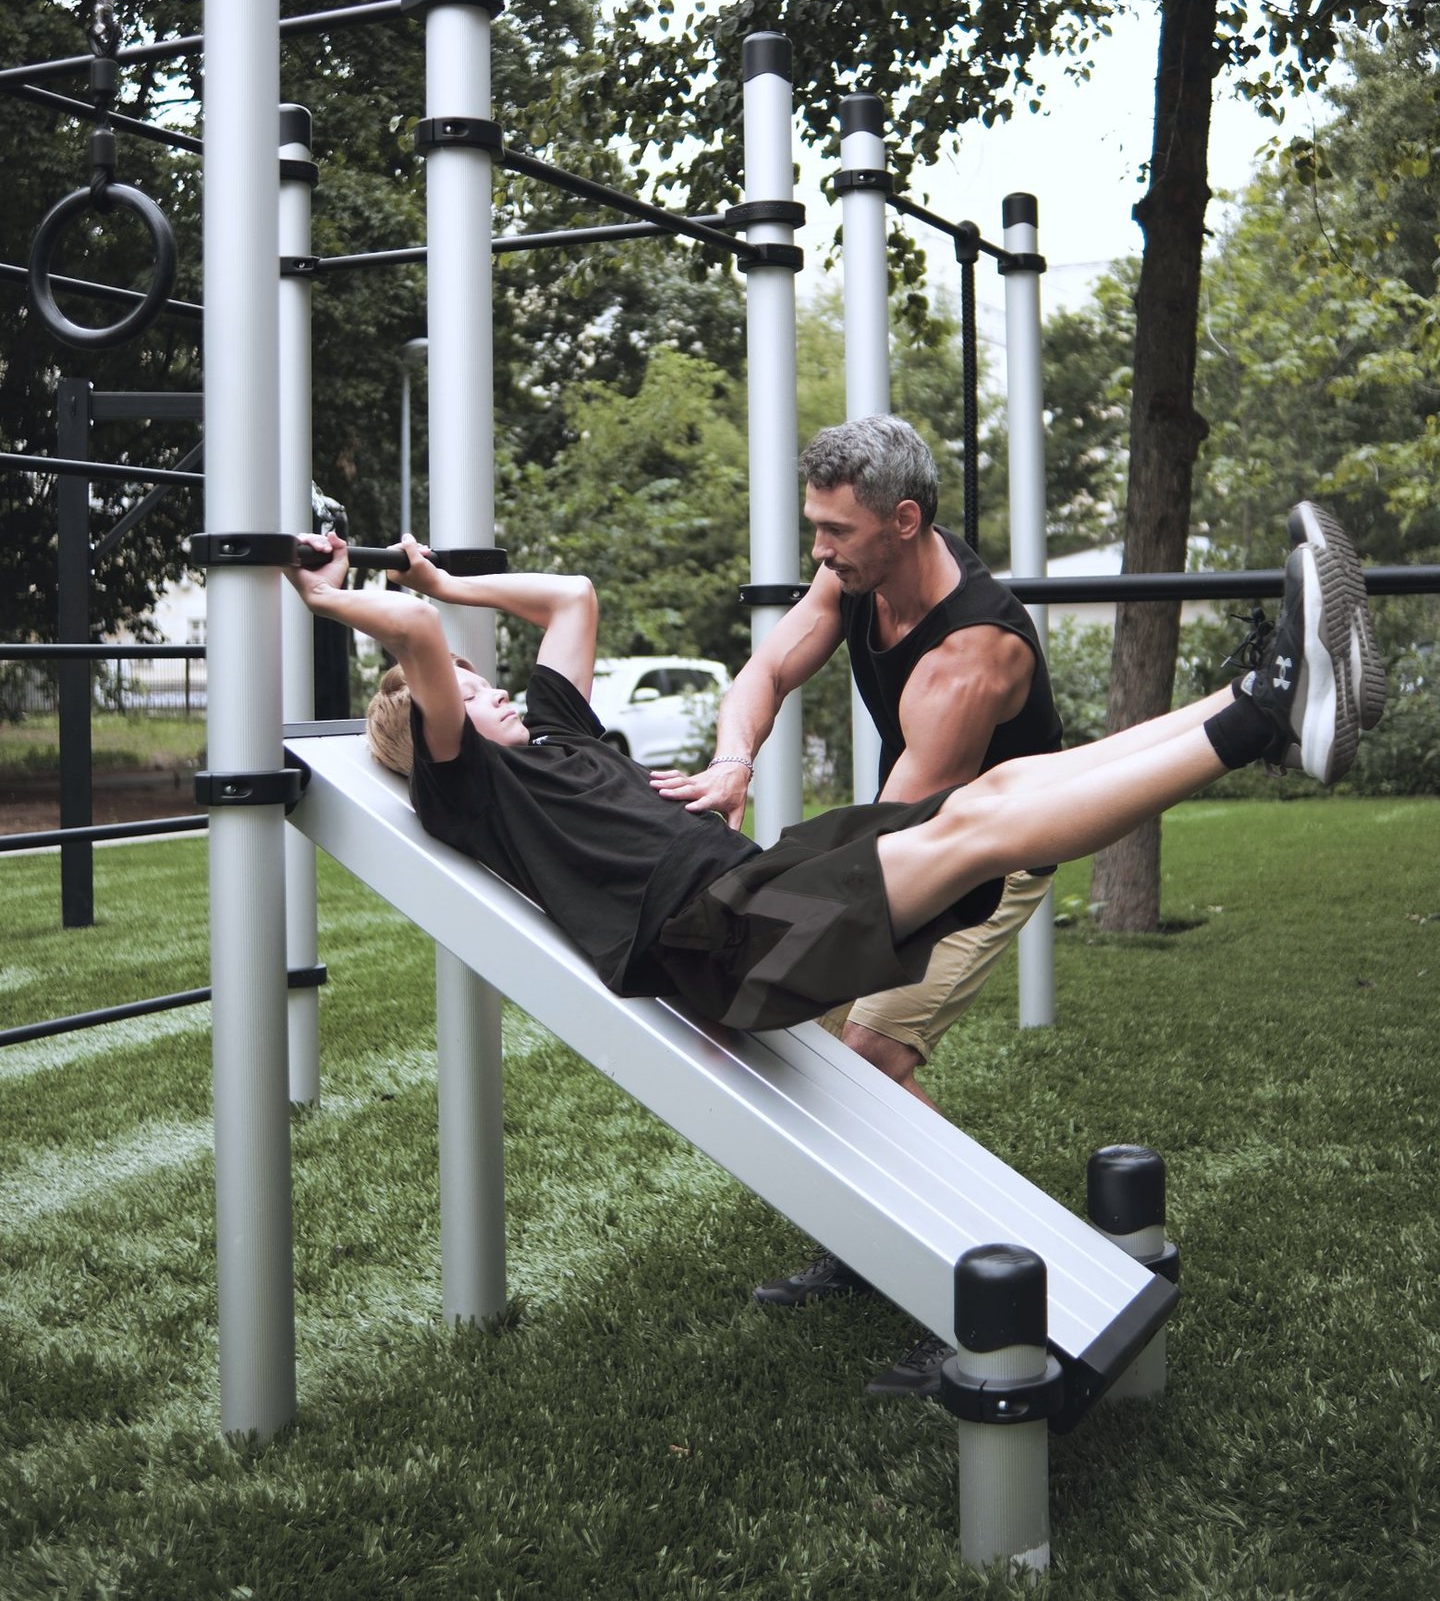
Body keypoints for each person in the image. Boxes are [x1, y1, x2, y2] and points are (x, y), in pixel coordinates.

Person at [285, 501, 1383, 1072]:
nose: (494, 690)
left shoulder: (559, 734)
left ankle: (1270, 692)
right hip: (714, 944)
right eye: (473, 691)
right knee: (983, 827)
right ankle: (1264, 714)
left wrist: (445, 576)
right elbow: (422, 642)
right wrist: (342, 598)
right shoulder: (467, 784)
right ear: (441, 724)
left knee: (1001, 790)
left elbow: (573, 597)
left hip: (752, 884)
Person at [649, 415, 1065, 1390]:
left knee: (866, 1063)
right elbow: (767, 668)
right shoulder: (856, 577)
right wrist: (734, 758)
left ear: (906, 519)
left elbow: (899, 845)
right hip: (915, 835)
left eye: (837, 531)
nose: (820, 551)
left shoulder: (975, 655)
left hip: (986, 859)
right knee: (834, 1045)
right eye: (817, 527)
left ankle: (1004, 1282)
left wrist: (766, 941)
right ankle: (875, 1244)